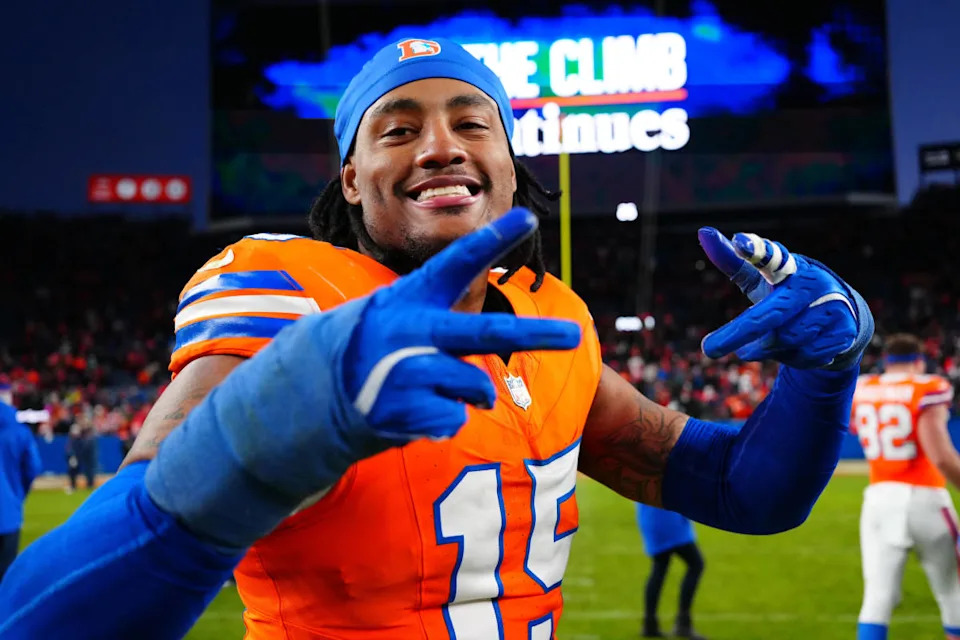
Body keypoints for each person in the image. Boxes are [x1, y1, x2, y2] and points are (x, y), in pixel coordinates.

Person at [0, 38, 873, 639]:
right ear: (352, 179)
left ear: (509, 163)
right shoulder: (293, 290)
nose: (441, 147)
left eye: (470, 121)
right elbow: (39, 621)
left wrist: (825, 374)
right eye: (399, 129)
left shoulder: (552, 320)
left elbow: (745, 492)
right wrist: (248, 444)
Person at [852, 334, 960, 640]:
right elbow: (941, 457)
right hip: (927, 498)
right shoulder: (928, 387)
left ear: (886, 361)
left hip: (878, 500)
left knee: (877, 599)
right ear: (919, 361)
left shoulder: (863, 388)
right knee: (952, 593)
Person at [637, 504, 707, 639]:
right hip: (668, 518)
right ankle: (683, 623)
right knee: (696, 564)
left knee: (660, 567)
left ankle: (650, 624)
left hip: (651, 518)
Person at [0, 382, 42, 582]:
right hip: (8, 515)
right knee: (6, 581)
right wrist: (17, 496)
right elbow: (33, 468)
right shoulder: (19, 431)